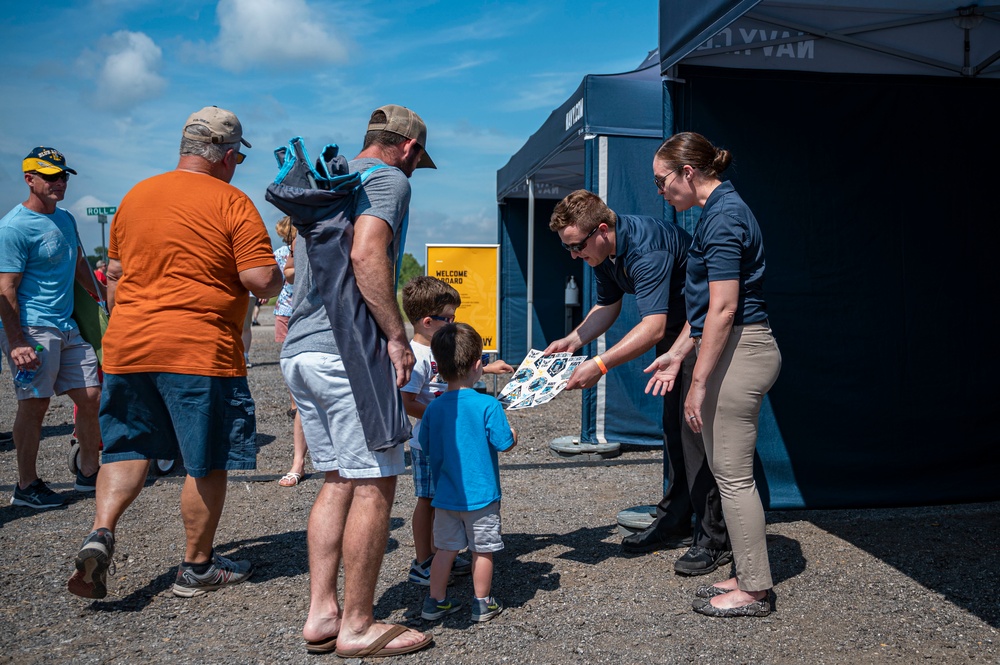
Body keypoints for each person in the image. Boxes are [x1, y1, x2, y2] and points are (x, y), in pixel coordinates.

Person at [66, 106, 282, 600]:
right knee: (206, 459)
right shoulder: (233, 202)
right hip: (197, 350)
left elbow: (115, 277)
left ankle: (100, 532)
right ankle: (197, 567)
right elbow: (259, 281)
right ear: (228, 156)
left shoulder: (136, 196)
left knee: (128, 448)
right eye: (238, 159)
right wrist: (278, 275)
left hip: (128, 345)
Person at [279, 104, 435, 657]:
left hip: (300, 352)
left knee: (338, 479)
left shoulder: (329, 179)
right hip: (347, 353)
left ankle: (322, 614)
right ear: (410, 149)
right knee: (376, 480)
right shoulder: (389, 179)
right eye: (419, 161)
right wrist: (395, 335)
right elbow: (368, 252)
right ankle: (358, 625)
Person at [545, 189, 731, 576]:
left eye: (577, 246)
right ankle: (675, 520)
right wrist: (574, 340)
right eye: (568, 249)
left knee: (694, 432)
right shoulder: (600, 251)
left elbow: (652, 327)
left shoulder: (647, 249)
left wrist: (599, 364)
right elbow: (607, 304)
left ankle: (715, 539)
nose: (575, 255)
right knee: (674, 431)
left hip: (699, 333)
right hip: (674, 334)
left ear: (601, 230)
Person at [645, 132, 781, 617]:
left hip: (742, 350)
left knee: (732, 476)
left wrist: (697, 383)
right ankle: (747, 571)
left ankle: (755, 591)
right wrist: (678, 354)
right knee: (729, 474)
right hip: (736, 346)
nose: (659, 192)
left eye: (662, 182)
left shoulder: (723, 217)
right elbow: (703, 316)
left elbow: (723, 311)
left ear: (688, 173)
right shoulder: (719, 212)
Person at [0, 146, 103, 509]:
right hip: (32, 328)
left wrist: (102, 297)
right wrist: (16, 341)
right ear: (29, 179)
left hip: (67, 324)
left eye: (62, 176)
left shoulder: (65, 219)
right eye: (50, 177)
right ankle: (26, 486)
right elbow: (5, 289)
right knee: (35, 404)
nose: (59, 182)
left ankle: (89, 473)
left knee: (91, 396)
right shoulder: (13, 228)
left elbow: (78, 265)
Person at [400, 276, 513, 585]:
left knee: (444, 499)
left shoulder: (438, 348)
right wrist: (444, 417)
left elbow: (450, 373)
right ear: (426, 321)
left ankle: (443, 553)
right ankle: (424, 561)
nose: (452, 323)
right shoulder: (417, 357)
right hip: (430, 444)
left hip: (449, 439)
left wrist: (486, 368)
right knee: (428, 501)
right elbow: (406, 400)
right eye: (447, 318)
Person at [418, 323, 516, 623]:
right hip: (482, 496)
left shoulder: (433, 408)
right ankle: (482, 603)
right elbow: (504, 443)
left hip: (445, 497)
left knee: (445, 550)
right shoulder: (488, 405)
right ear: (478, 366)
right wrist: (512, 432)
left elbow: (425, 444)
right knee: (482, 551)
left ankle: (435, 602)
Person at [272, 216, 307, 487]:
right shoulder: (293, 246)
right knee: (293, 368)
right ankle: (299, 462)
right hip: (293, 312)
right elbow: (286, 273)